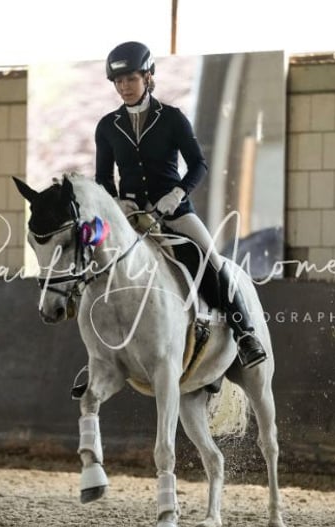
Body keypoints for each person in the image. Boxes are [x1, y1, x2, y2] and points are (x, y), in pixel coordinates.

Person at [94, 41, 267, 370]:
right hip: (130, 218)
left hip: (174, 212)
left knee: (212, 261)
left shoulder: (172, 118)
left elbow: (199, 164)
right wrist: (118, 203)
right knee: (98, 267)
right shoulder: (107, 126)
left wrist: (177, 193)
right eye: (118, 82)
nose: (125, 87)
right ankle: (98, 356)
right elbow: (103, 177)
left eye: (131, 79)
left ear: (148, 76)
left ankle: (244, 334)